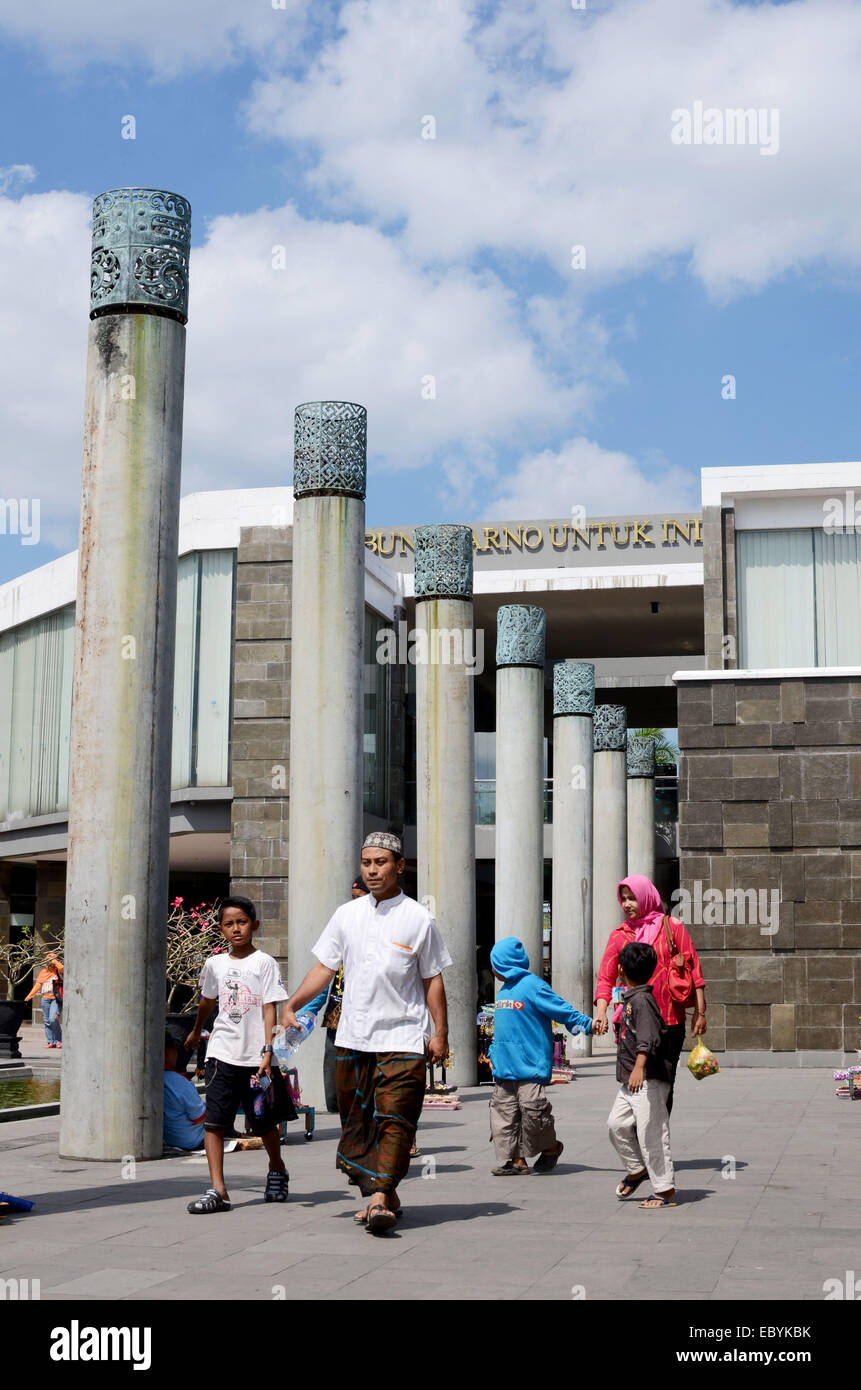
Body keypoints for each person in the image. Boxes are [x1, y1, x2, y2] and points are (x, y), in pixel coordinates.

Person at [281, 831, 451, 1233]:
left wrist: (440, 1033)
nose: (373, 870)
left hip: (404, 1037)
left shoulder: (418, 918)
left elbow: (433, 979)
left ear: (399, 866)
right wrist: (291, 1003)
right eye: (367, 863)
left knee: (396, 1119)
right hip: (353, 1037)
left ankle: (378, 1199)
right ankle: (385, 1191)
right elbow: (324, 967)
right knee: (357, 1122)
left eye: (381, 863)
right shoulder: (346, 915)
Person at [184, 896, 295, 1214]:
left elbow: (269, 1007)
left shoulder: (265, 963)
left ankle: (276, 1167)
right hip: (220, 1054)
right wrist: (195, 1030)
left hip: (256, 1059)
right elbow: (207, 1001)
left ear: (254, 925)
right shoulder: (215, 964)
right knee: (214, 1124)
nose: (236, 929)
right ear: (221, 929)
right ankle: (219, 1190)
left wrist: (267, 1051)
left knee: (263, 1123)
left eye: (242, 922)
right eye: (229, 924)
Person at [594, 874, 707, 1114]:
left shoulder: (671, 927)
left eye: (632, 898)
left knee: (665, 1083)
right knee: (635, 1082)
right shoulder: (620, 935)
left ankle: (658, 1136)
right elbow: (605, 977)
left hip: (670, 1020)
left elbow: (694, 969)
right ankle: (642, 1137)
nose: (627, 904)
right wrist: (601, 1011)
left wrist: (700, 1012)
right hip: (632, 1024)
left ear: (645, 897)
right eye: (623, 899)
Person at [488, 936, 595, 1176]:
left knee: (534, 1113)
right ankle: (515, 1160)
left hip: (530, 1066)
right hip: (505, 1067)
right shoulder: (504, 990)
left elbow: (562, 1010)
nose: (492, 969)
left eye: (494, 963)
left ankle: (550, 1147)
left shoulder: (534, 987)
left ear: (503, 964)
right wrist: (493, 1053)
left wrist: (587, 1025)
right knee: (504, 1115)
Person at [607, 941, 676, 1209]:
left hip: (647, 1078)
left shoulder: (643, 1001)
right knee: (616, 1125)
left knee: (652, 1134)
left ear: (621, 968)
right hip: (631, 1081)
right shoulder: (633, 998)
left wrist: (638, 1067)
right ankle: (637, 1169)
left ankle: (664, 1189)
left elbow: (648, 1038)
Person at [163, 1036, 205, 1151]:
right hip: (190, 1141)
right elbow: (199, 1117)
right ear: (168, 1054)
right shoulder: (181, 1082)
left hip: (166, 1138)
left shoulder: (149, 1079)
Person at [25, 951, 63, 1048]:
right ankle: (51, 1041)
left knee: (53, 1019)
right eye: (48, 959)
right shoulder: (43, 972)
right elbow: (38, 985)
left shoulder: (58, 970)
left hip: (55, 998)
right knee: (46, 1020)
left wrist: (54, 961)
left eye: (52, 959)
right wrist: (30, 996)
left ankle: (59, 1040)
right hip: (45, 998)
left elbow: (62, 968)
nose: (49, 962)